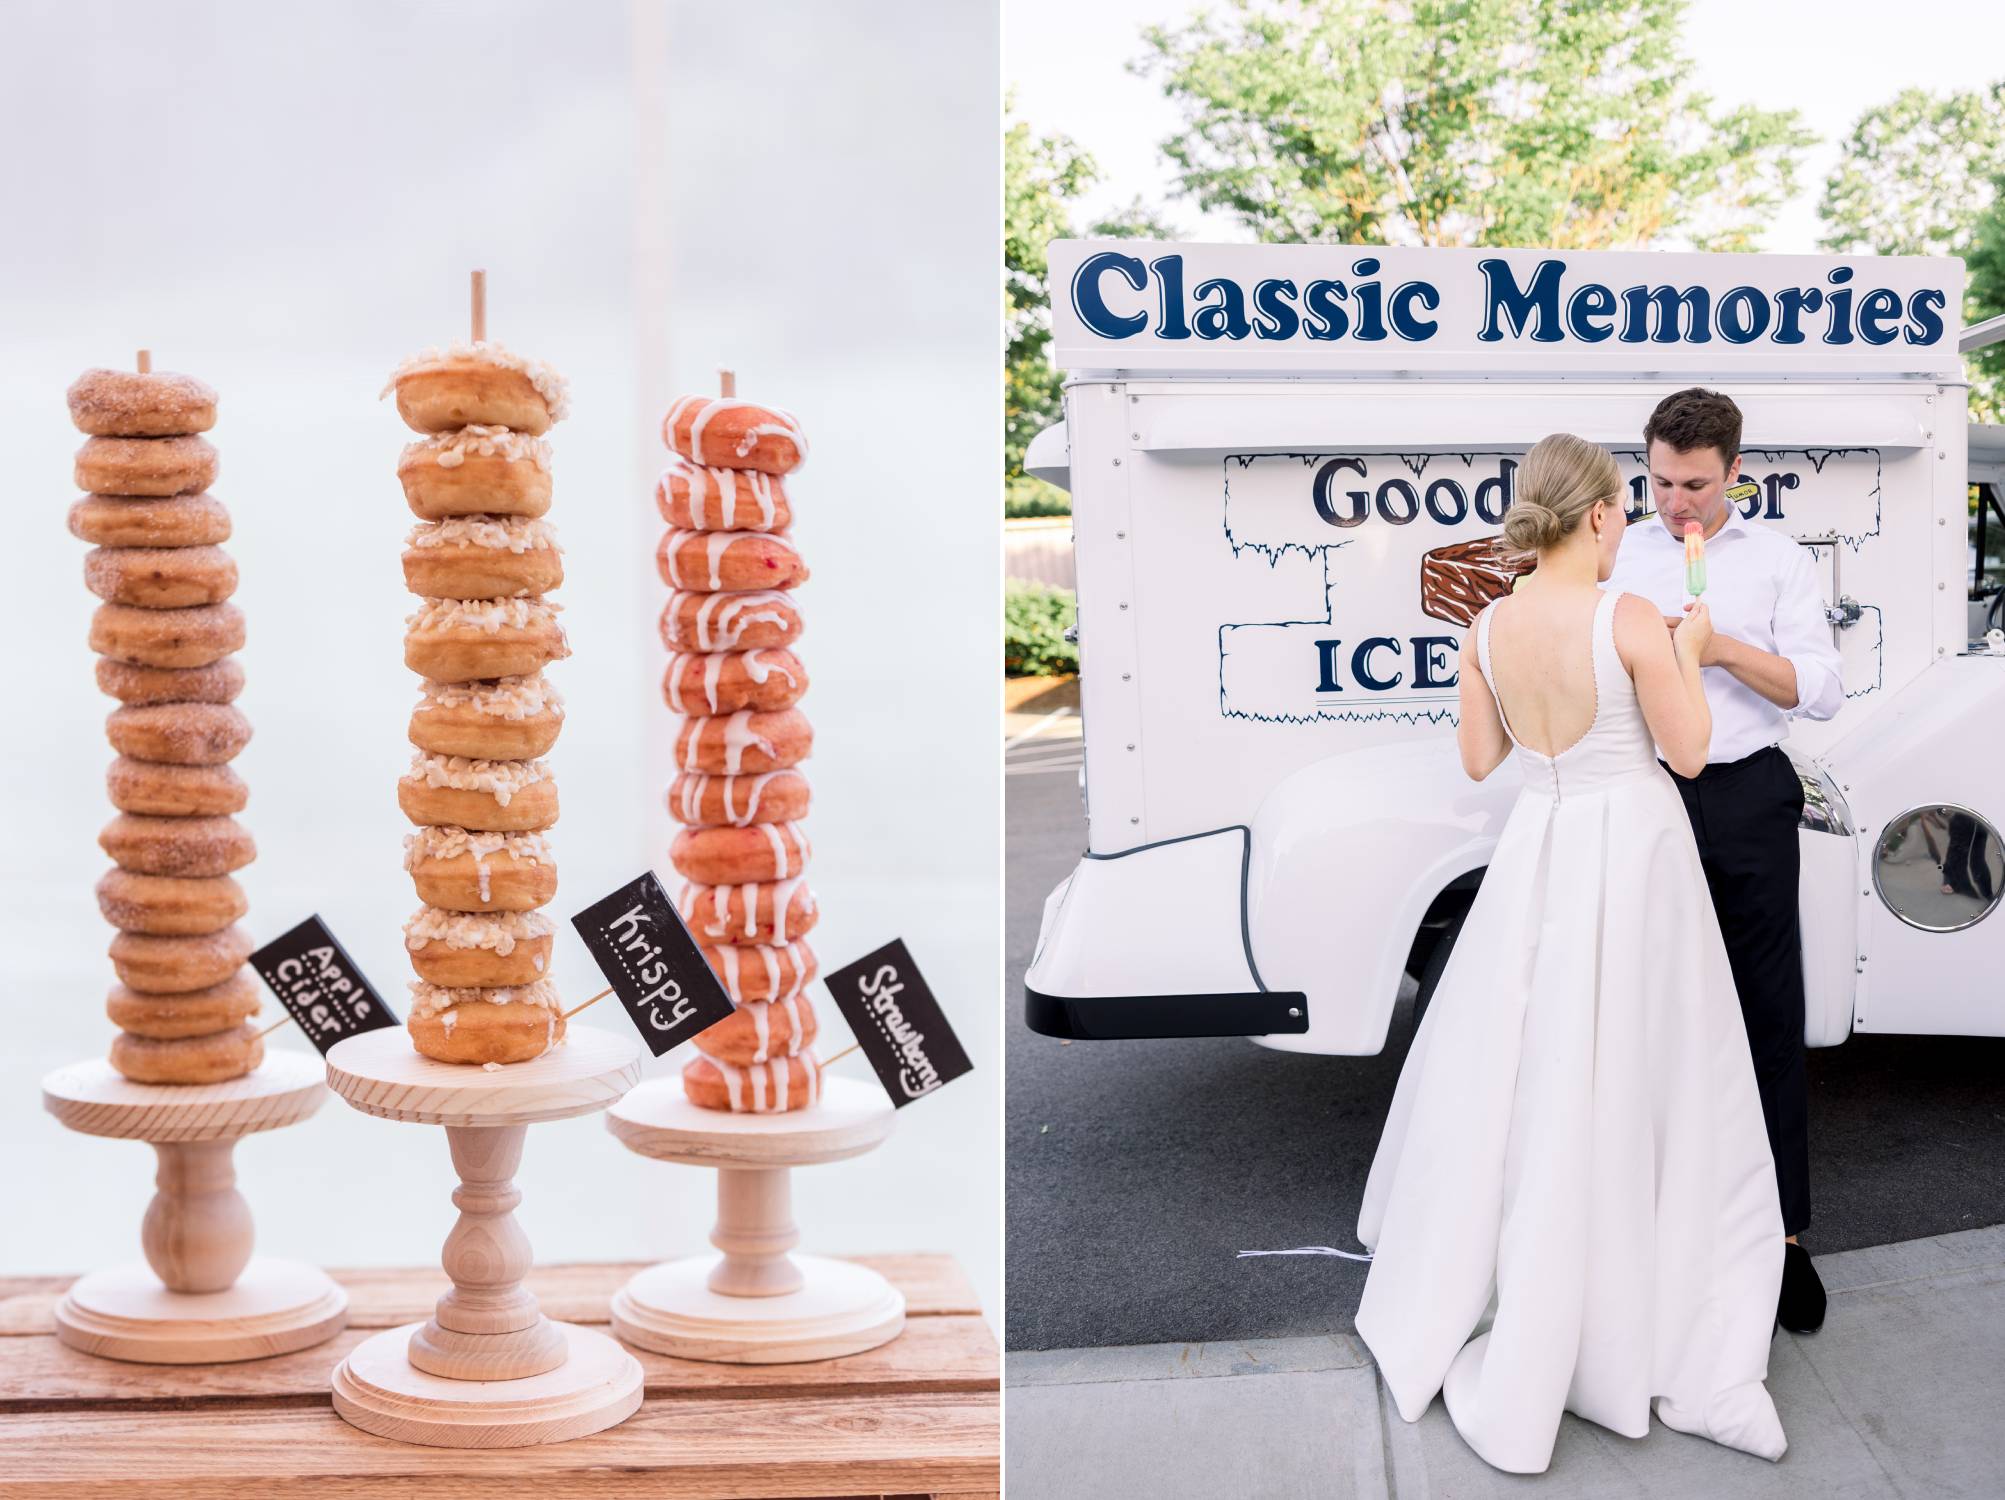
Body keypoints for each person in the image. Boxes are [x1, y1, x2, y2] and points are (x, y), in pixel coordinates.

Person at [1354, 432, 1787, 1474]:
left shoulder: (1489, 623)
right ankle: (1649, 1313)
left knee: (1534, 1074)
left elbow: (1477, 758)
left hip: (1540, 853)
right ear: (1598, 517)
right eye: (1626, 512)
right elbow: (1685, 753)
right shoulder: (1629, 616)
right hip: (1632, 851)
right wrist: (1687, 652)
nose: (1631, 525)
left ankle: (1536, 1294)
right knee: (1656, 1079)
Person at [1608, 388, 1842, 1336]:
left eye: (1695, 485)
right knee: (1645, 1011)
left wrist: (1718, 649)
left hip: (1746, 796)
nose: (1676, 505)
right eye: (1660, 482)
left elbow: (1817, 691)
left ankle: (1783, 1239)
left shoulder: (1777, 560)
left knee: (1764, 1019)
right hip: (1643, 790)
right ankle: (1654, 1232)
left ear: (1733, 474)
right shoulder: (1614, 553)